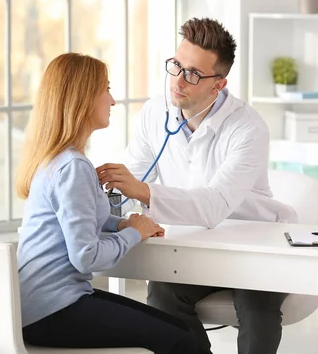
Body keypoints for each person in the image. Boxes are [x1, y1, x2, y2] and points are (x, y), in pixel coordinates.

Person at [96, 18, 297, 354]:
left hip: (256, 246)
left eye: (192, 74)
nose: (178, 81)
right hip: (195, 249)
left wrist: (141, 191)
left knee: (255, 303)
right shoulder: (156, 112)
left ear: (218, 85)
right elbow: (134, 174)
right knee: (162, 292)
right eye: (176, 66)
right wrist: (108, 195)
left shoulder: (247, 128)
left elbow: (214, 205)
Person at [15, 52, 199, 354]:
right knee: (180, 341)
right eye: (106, 89)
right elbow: (87, 257)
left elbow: (86, 222)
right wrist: (134, 233)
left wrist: (125, 223)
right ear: (83, 98)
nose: (112, 101)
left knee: (180, 330)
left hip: (44, 306)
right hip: (54, 312)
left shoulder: (57, 161)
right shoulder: (72, 167)